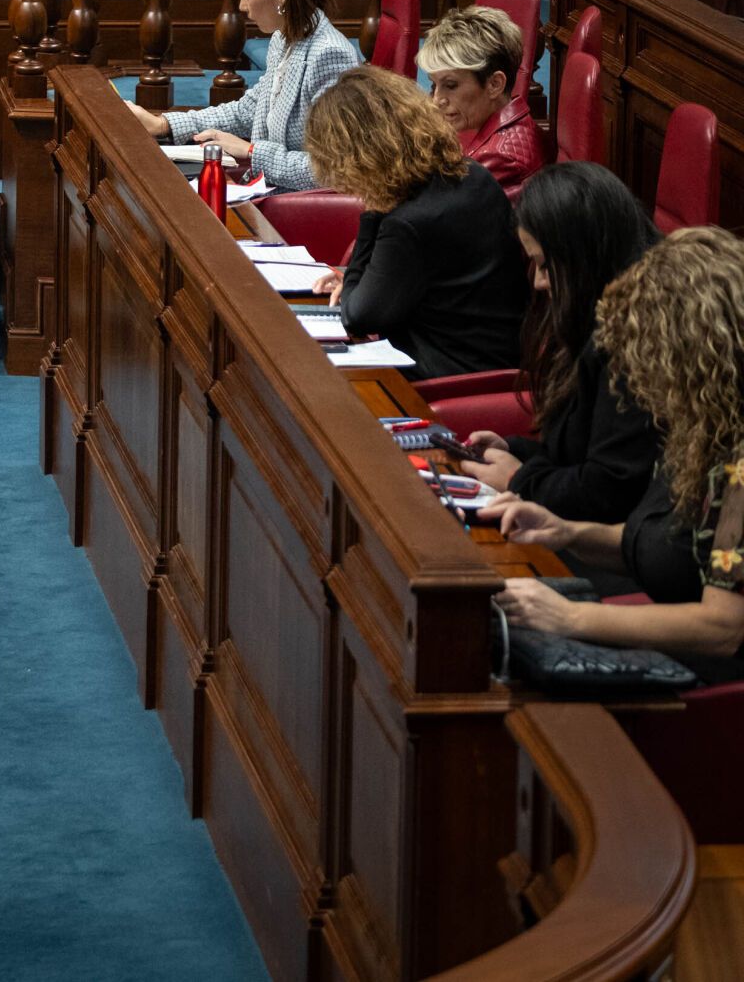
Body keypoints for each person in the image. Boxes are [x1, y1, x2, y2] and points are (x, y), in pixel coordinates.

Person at [487, 228, 744, 678]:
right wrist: (566, 532)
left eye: (655, 358)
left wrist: (571, 619)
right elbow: (661, 544)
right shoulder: (703, 425)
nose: (645, 378)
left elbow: (724, 627)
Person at [456, 163, 659, 521]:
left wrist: (520, 479)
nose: (538, 283)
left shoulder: (634, 343)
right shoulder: (598, 315)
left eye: (546, 265)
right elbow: (581, 451)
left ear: (584, 258)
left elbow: (610, 491)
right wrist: (518, 450)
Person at [304, 66, 528, 379]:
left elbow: (358, 316)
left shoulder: (408, 223)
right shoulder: (471, 174)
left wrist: (373, 208)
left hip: (451, 379)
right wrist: (358, 283)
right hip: (498, 359)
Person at [128, 0, 359, 191]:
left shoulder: (329, 55)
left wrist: (251, 151)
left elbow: (334, 169)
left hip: (301, 209)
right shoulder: (284, 39)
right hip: (267, 187)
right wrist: (164, 123)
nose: (241, 5)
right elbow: (247, 110)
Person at [416, 5, 544, 197]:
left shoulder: (499, 158)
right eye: (434, 85)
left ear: (494, 84)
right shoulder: (484, 123)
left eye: (450, 85)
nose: (436, 100)